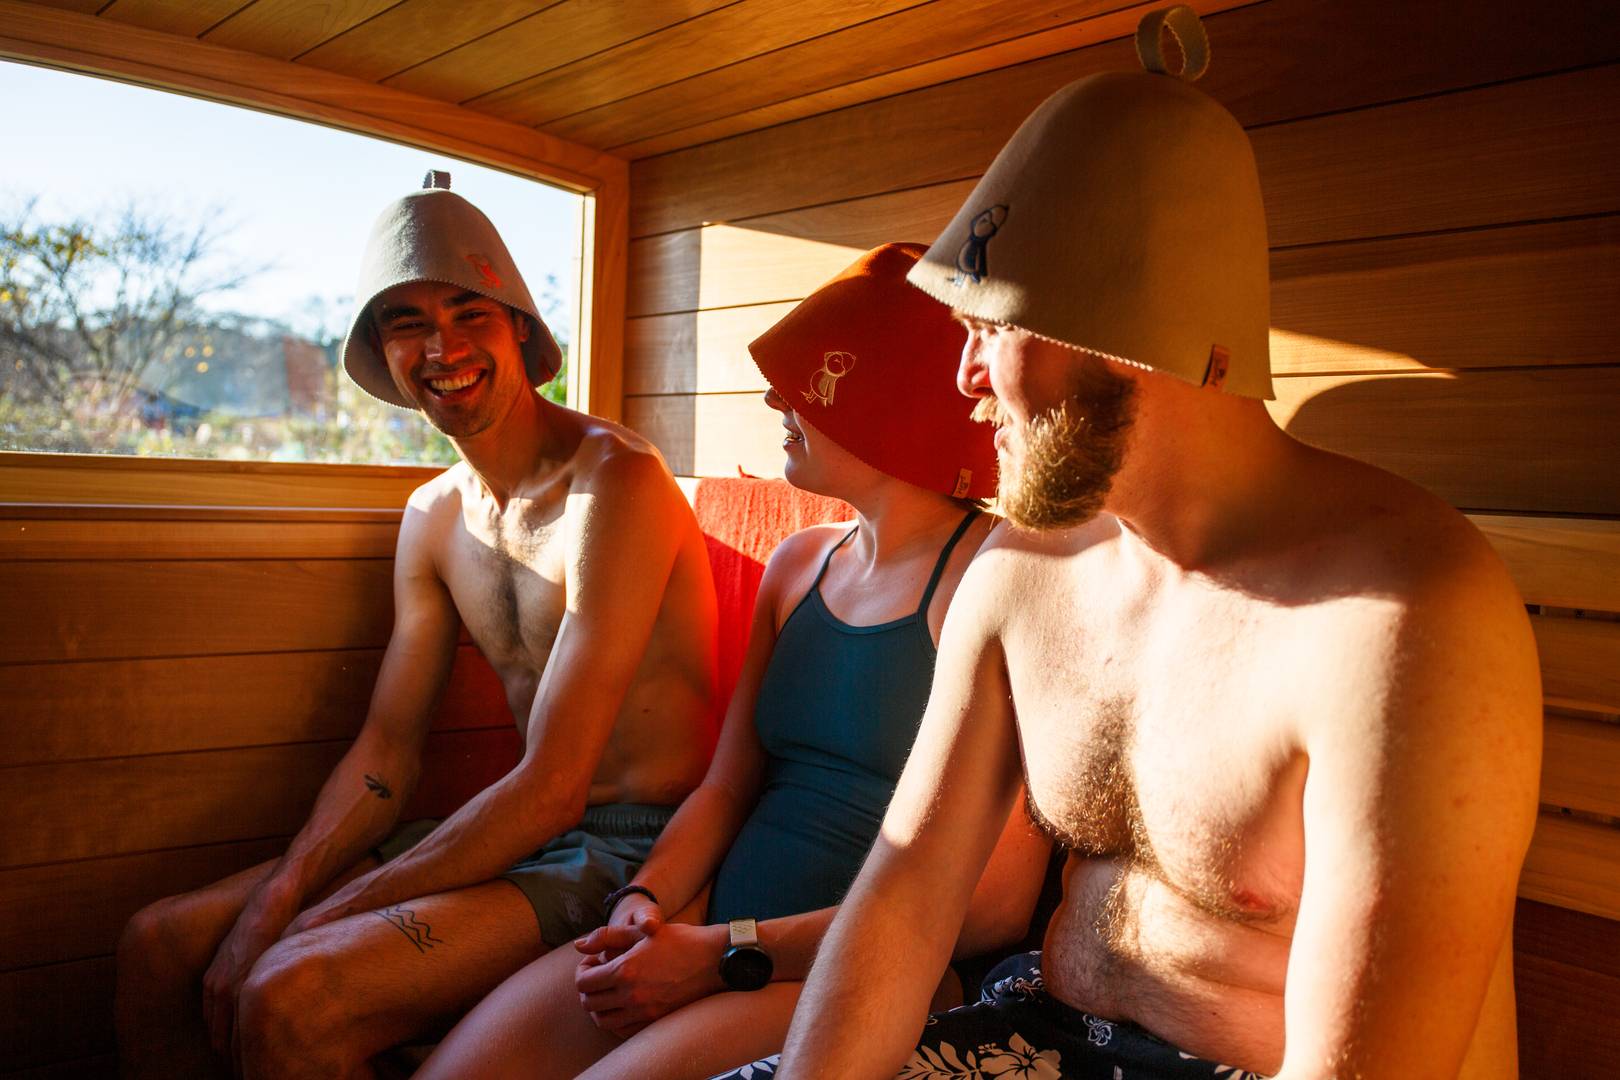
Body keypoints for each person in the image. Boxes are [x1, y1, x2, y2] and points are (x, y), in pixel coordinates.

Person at [748, 9, 1543, 1079]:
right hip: (1033, 1033)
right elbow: (903, 895)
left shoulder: (1400, 610)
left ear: (1130, 329)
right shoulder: (1025, 573)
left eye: (989, 331)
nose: (964, 380)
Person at [114, 173, 721, 1079]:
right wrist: (285, 888)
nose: (442, 346)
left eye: (469, 312)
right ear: (385, 355)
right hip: (510, 830)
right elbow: (385, 757)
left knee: (290, 989)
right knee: (159, 945)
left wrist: (322, 916)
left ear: (518, 324)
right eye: (407, 323)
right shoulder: (433, 516)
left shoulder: (616, 483)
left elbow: (556, 788)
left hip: (626, 844)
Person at [415, 243, 1052, 1080]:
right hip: (709, 925)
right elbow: (727, 786)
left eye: (810, 385)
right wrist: (647, 903)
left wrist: (722, 954)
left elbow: (991, 909)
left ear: (889, 398)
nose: (773, 400)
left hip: (864, 967)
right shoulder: (799, 565)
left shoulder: (997, 578)